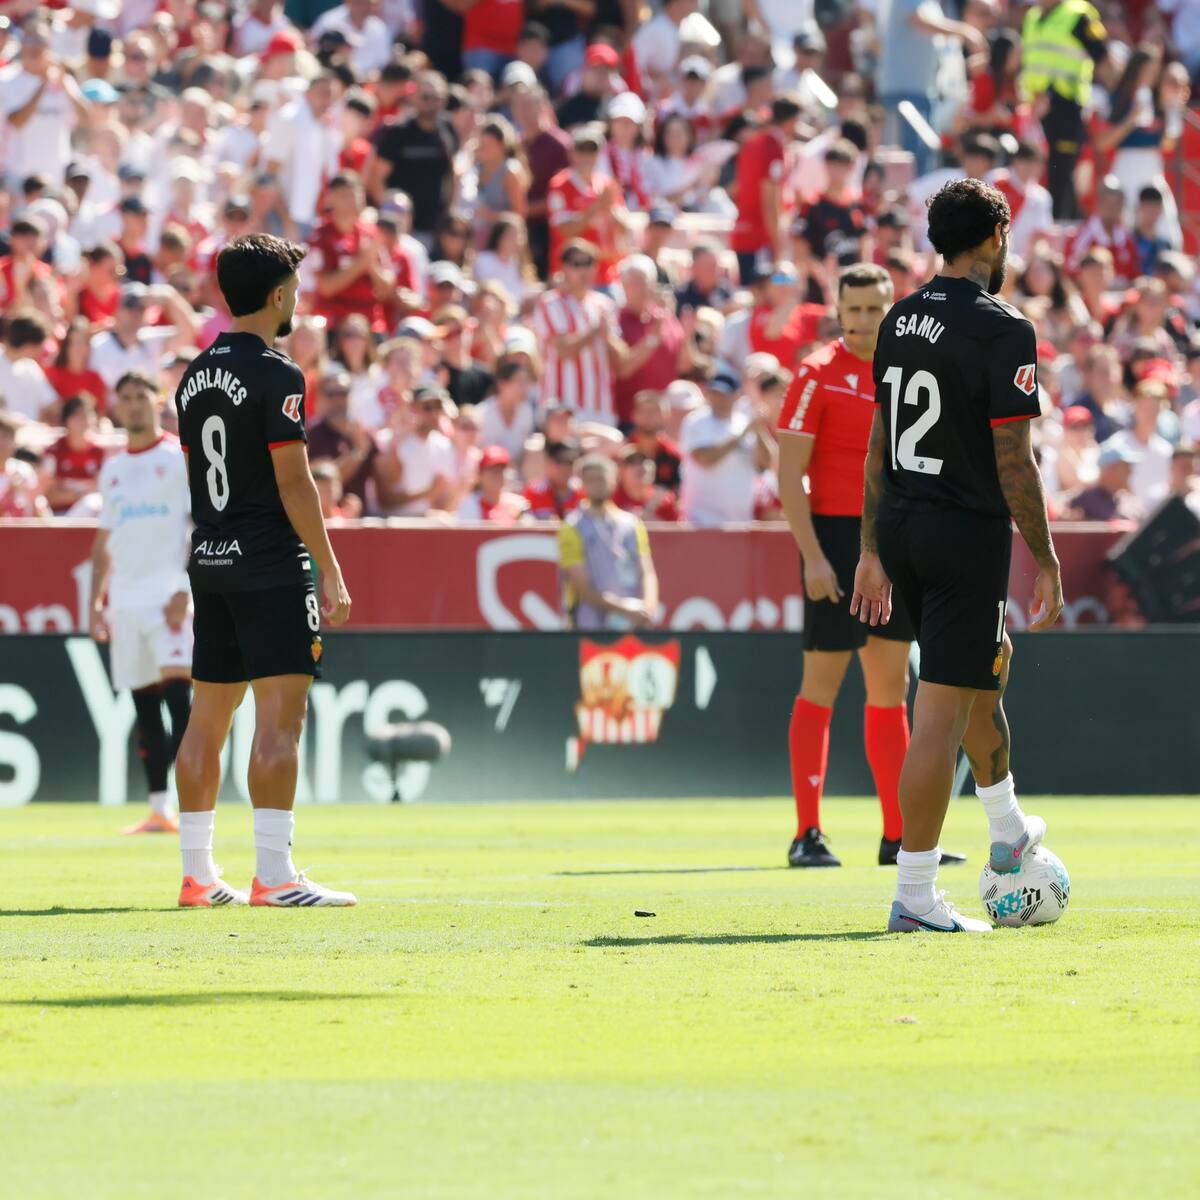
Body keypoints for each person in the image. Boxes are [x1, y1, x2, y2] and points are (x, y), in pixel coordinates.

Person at [852, 178, 1063, 934]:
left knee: (982, 670)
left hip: (903, 526)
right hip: (962, 532)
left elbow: (880, 440)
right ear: (996, 237)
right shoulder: (1003, 328)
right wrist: (1045, 555)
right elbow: (1016, 462)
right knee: (937, 713)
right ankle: (914, 894)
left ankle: (1007, 829)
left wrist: (871, 546)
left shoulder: (901, 318)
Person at [173, 233, 354, 908]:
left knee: (207, 718)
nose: (298, 301)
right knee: (282, 719)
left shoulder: (193, 376)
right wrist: (329, 568)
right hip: (270, 561)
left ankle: (197, 875)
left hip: (212, 557)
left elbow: (198, 474)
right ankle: (274, 876)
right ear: (278, 295)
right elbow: (295, 482)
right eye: (296, 290)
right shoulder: (278, 374)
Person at [777, 262, 968, 870]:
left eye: (875, 307)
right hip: (834, 539)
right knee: (822, 689)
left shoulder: (907, 368)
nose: (865, 320)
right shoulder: (815, 373)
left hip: (892, 540)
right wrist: (811, 556)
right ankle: (807, 833)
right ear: (837, 309)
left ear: (893, 306)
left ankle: (898, 837)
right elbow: (789, 475)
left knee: (890, 692)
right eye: (854, 309)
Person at [88, 371, 193, 835]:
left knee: (180, 700)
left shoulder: (176, 458)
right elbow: (104, 539)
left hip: (169, 596)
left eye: (140, 396)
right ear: (116, 406)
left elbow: (202, 523)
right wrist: (95, 601)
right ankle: (158, 808)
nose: (133, 405)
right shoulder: (113, 469)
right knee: (145, 707)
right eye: (125, 397)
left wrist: (187, 587)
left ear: (157, 401)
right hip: (125, 601)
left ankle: (195, 802)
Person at [1017, 0, 1108, 220]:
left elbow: (1102, 57)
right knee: (1032, 169)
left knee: (1062, 171)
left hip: (1066, 106)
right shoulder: (1031, 17)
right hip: (1036, 109)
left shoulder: (1079, 15)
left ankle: (1059, 224)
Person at [558, 453, 659, 630]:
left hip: (632, 624)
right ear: (582, 483)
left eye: (602, 478)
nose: (597, 484)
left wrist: (647, 608)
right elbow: (582, 587)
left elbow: (647, 572)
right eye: (591, 479)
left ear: (614, 480)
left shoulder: (633, 524)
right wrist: (624, 608)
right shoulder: (571, 528)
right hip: (589, 625)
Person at [679, 367, 774, 526]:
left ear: (737, 396)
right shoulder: (695, 421)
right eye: (715, 393)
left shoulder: (745, 422)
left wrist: (759, 429)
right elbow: (705, 459)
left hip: (741, 521)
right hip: (700, 521)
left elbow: (766, 462)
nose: (719, 398)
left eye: (724, 394)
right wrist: (742, 435)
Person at [730, 94, 803, 282]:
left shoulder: (755, 143)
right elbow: (770, 200)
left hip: (746, 233)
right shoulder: (773, 147)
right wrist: (778, 247)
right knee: (768, 294)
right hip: (760, 239)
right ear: (792, 120)